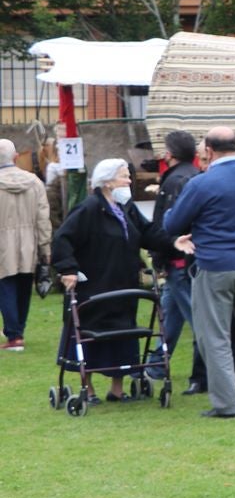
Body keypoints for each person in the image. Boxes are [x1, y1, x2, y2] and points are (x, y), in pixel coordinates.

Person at [163, 128, 235, 418]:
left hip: (216, 263)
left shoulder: (202, 183)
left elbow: (173, 223)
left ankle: (227, 403)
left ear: (210, 151)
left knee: (214, 335)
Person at [52, 159, 169, 402]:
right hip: (94, 284)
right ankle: (89, 388)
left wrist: (174, 243)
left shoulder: (127, 207)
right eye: (124, 176)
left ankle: (118, 389)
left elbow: (148, 234)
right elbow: (63, 239)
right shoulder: (89, 208)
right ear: (106, 182)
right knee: (90, 334)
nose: (129, 181)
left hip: (123, 282)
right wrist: (68, 269)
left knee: (123, 334)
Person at [143, 131, 201, 387]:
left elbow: (169, 223)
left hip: (179, 260)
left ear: (169, 154)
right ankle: (156, 365)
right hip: (184, 259)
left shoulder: (175, 181)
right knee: (170, 312)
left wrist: (160, 254)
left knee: (197, 319)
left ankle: (207, 374)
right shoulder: (196, 176)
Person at [0, 139, 51, 352]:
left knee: (6, 286)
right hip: (29, 242)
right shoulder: (35, 182)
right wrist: (45, 249)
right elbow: (43, 220)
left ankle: (14, 336)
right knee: (23, 285)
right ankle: (17, 331)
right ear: (15, 157)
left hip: (2, 242)